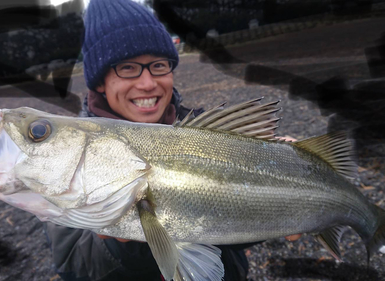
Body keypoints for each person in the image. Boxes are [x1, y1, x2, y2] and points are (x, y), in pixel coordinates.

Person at [44, 0, 300, 280]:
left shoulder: (210, 132)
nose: (147, 83)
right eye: (127, 68)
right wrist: (126, 242)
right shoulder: (66, 156)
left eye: (158, 65)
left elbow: (231, 228)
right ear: (100, 82)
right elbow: (71, 262)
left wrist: (289, 176)